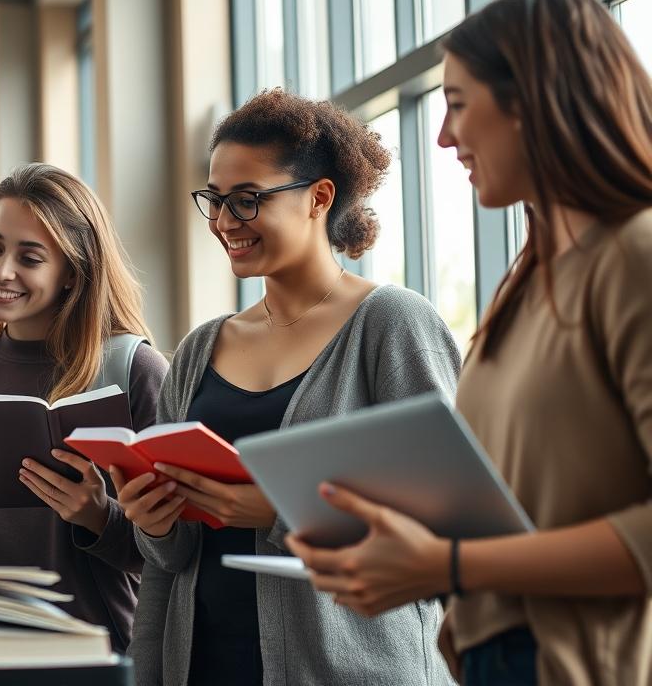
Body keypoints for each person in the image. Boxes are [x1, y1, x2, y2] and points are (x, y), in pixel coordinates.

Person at [288, 0, 652, 686]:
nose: (443, 134)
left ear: (532, 105)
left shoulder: (633, 256)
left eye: (457, 104)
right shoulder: (533, 279)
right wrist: (401, 547)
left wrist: (449, 564)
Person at [117, 90, 459, 685]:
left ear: (318, 199)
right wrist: (156, 522)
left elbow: (446, 515)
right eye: (216, 201)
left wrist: (282, 512)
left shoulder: (391, 324)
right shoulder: (201, 347)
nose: (224, 223)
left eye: (247, 200)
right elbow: (170, 563)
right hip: (205, 667)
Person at [0, 163, 169, 652]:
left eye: (30, 257)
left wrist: (100, 515)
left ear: (71, 272)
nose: (2, 271)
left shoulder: (136, 371)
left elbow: (175, 546)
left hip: (100, 652)